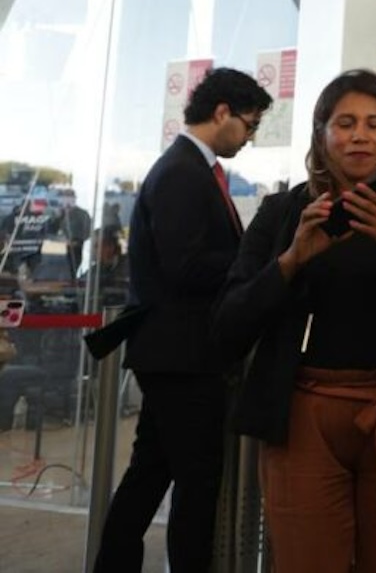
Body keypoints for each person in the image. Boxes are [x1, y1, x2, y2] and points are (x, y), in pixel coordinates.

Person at [212, 70, 376, 573]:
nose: (360, 136)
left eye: (374, 124)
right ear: (321, 134)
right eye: (345, 123)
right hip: (302, 416)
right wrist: (291, 260)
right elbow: (228, 325)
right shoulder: (283, 212)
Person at [93, 67, 271, 573]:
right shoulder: (182, 173)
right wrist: (250, 261)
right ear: (222, 112)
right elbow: (185, 266)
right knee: (196, 484)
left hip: (174, 353)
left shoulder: (190, 169)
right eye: (249, 124)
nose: (250, 137)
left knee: (151, 473)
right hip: (182, 356)